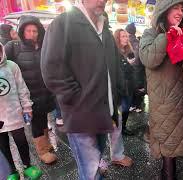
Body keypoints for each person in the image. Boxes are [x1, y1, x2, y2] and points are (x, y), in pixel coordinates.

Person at [41, 0, 133, 179]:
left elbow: (113, 65)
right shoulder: (62, 24)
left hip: (104, 111)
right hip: (81, 115)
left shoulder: (103, 28)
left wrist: (119, 92)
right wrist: (76, 99)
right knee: (90, 170)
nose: (102, 1)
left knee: (96, 162)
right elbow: (51, 70)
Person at [139, 0, 183, 179]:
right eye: (175, 7)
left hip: (182, 99)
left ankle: (167, 173)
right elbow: (148, 58)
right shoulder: (150, 33)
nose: (179, 12)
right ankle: (168, 175)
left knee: (174, 142)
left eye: (182, 8)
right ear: (164, 10)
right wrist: (167, 36)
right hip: (164, 100)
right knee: (168, 141)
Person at [4, 15, 57, 164]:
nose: (32, 34)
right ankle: (42, 151)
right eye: (28, 31)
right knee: (37, 122)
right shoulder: (12, 47)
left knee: (44, 119)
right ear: (22, 31)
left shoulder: (44, 46)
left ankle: (46, 145)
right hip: (28, 95)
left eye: (35, 31)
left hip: (46, 93)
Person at [0, 42, 42, 180]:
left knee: (22, 142)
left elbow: (22, 88)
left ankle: (27, 165)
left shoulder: (11, 66)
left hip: (14, 114)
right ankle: (12, 171)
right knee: (3, 145)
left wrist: (27, 107)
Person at [113, 29, 135, 136]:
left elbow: (133, 69)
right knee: (122, 107)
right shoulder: (114, 52)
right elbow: (116, 70)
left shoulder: (129, 51)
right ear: (117, 38)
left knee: (127, 107)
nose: (126, 38)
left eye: (126, 36)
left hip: (129, 84)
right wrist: (128, 64)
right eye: (123, 36)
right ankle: (118, 128)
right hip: (120, 86)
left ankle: (123, 127)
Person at [125, 23, 145, 113]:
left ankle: (137, 106)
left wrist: (128, 64)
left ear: (128, 32)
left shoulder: (133, 43)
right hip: (136, 69)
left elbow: (136, 59)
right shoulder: (135, 42)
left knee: (136, 88)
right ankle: (135, 105)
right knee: (135, 88)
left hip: (135, 70)